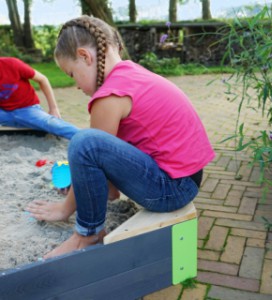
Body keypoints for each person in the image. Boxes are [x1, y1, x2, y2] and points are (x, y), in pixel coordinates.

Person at [26, 15, 215, 259]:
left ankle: (88, 234)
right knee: (91, 145)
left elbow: (91, 150)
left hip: (172, 189)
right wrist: (89, 186)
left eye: (72, 74)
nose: (75, 85)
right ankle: (89, 224)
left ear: (85, 56)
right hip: (186, 179)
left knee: (85, 142)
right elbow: (112, 156)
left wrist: (65, 209)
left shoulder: (109, 96)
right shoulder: (131, 74)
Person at [0, 57, 79, 139]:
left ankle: (86, 138)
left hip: (27, 109)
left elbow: (42, 79)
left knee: (51, 124)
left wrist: (53, 108)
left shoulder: (12, 64)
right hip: (4, 114)